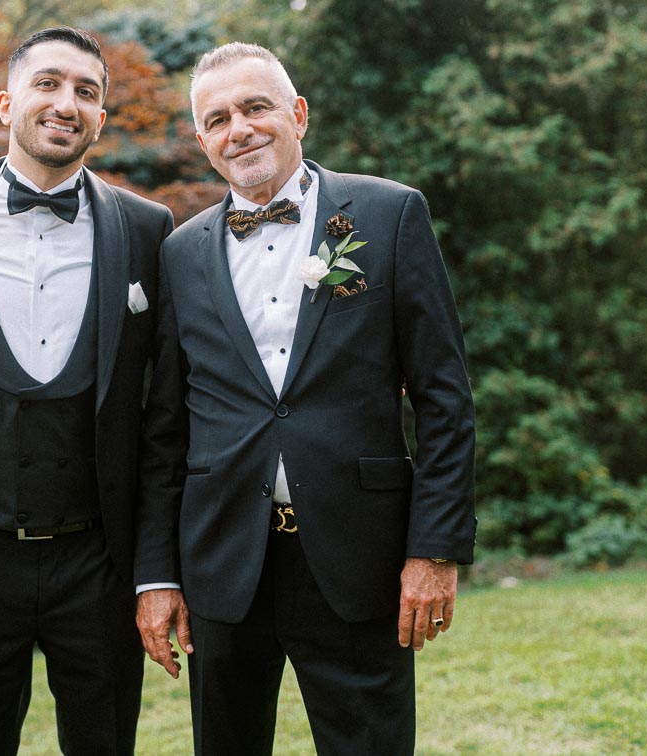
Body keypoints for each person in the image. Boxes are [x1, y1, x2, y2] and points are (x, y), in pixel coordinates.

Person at [138, 42, 476, 755]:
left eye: (256, 107)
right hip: (223, 560)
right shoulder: (180, 251)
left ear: (297, 114)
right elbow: (166, 428)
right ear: (203, 141)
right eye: (219, 118)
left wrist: (435, 549)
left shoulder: (388, 216)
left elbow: (444, 399)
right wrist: (158, 575)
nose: (241, 129)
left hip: (359, 555)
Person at [0, 27, 176, 756]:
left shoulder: (150, 231)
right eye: (48, 84)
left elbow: (165, 422)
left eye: (87, 92)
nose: (67, 103)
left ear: (101, 116)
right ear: (6, 102)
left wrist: (155, 568)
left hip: (98, 561)